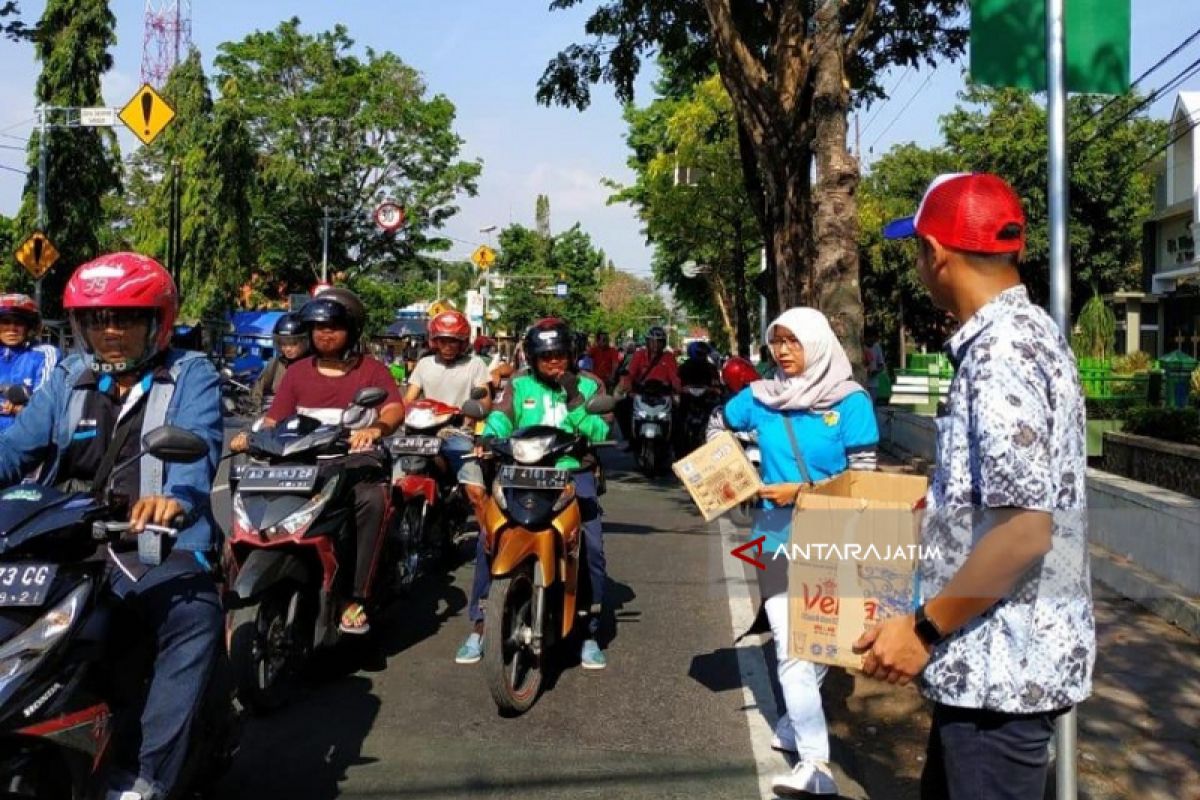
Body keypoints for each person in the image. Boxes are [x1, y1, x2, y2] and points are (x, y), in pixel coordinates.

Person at [856, 173, 1093, 800]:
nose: (918, 265)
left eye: (917, 250)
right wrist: (943, 512)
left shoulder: (1000, 355)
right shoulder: (1034, 336)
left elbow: (1023, 532)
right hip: (992, 669)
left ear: (936, 253)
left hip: (999, 676)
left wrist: (921, 630)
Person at [0, 254, 223, 800]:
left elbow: (199, 448)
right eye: (98, 320)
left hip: (147, 541)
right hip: (57, 537)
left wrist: (173, 500)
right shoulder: (68, 379)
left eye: (126, 318)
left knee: (192, 618)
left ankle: (148, 777)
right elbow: (14, 447)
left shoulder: (191, 374)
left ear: (158, 321)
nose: (111, 332)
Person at [717, 307, 879, 797]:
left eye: (792, 341)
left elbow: (864, 479)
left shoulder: (851, 403)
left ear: (818, 343)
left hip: (836, 536)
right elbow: (716, 423)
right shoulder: (760, 398)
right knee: (794, 650)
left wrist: (801, 492)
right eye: (777, 342)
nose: (783, 352)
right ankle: (814, 765)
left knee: (826, 645)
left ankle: (790, 723)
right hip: (773, 541)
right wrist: (729, 473)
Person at [231, 288, 405, 634]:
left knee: (371, 500)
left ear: (351, 331)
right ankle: (231, 572)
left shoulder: (370, 369)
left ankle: (356, 595)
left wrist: (375, 429)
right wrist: (251, 438)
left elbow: (394, 408)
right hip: (300, 461)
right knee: (245, 488)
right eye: (318, 327)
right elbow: (274, 419)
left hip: (354, 460)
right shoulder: (296, 373)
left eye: (334, 327)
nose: (325, 334)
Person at [456, 318, 612, 670]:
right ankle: (482, 623)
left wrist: (573, 398)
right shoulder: (518, 384)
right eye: (546, 357)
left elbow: (599, 430)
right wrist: (486, 439)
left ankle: (588, 629)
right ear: (533, 357)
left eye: (560, 355)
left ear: (571, 355)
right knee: (491, 536)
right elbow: (500, 418)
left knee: (592, 547)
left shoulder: (589, 385)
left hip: (573, 472)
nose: (555, 363)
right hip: (520, 472)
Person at [405, 311, 493, 511]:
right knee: (395, 483)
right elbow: (409, 399)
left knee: (476, 493)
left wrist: (473, 412)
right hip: (421, 432)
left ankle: (487, 539)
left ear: (463, 343)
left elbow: (485, 400)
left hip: (457, 431)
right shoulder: (424, 364)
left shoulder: (475, 364)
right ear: (434, 341)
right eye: (442, 341)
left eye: (453, 341)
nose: (447, 346)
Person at [0, 293, 57, 432]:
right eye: (6, 322)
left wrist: (15, 407)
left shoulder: (45, 354)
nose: (12, 328)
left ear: (29, 327)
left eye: (18, 322)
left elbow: (44, 405)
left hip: (25, 440)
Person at [615, 326, 680, 445]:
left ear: (664, 343)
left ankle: (675, 445)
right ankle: (628, 438)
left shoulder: (669, 357)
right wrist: (629, 390)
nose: (655, 345)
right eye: (652, 341)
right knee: (620, 406)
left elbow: (674, 377)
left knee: (679, 413)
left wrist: (677, 391)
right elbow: (630, 374)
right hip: (641, 394)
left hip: (662, 395)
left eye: (659, 341)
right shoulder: (639, 355)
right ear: (647, 342)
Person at [248, 312, 309, 411]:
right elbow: (258, 390)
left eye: (293, 344)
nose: (288, 349)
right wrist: (258, 409)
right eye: (283, 345)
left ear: (305, 341)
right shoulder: (276, 364)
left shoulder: (314, 364)